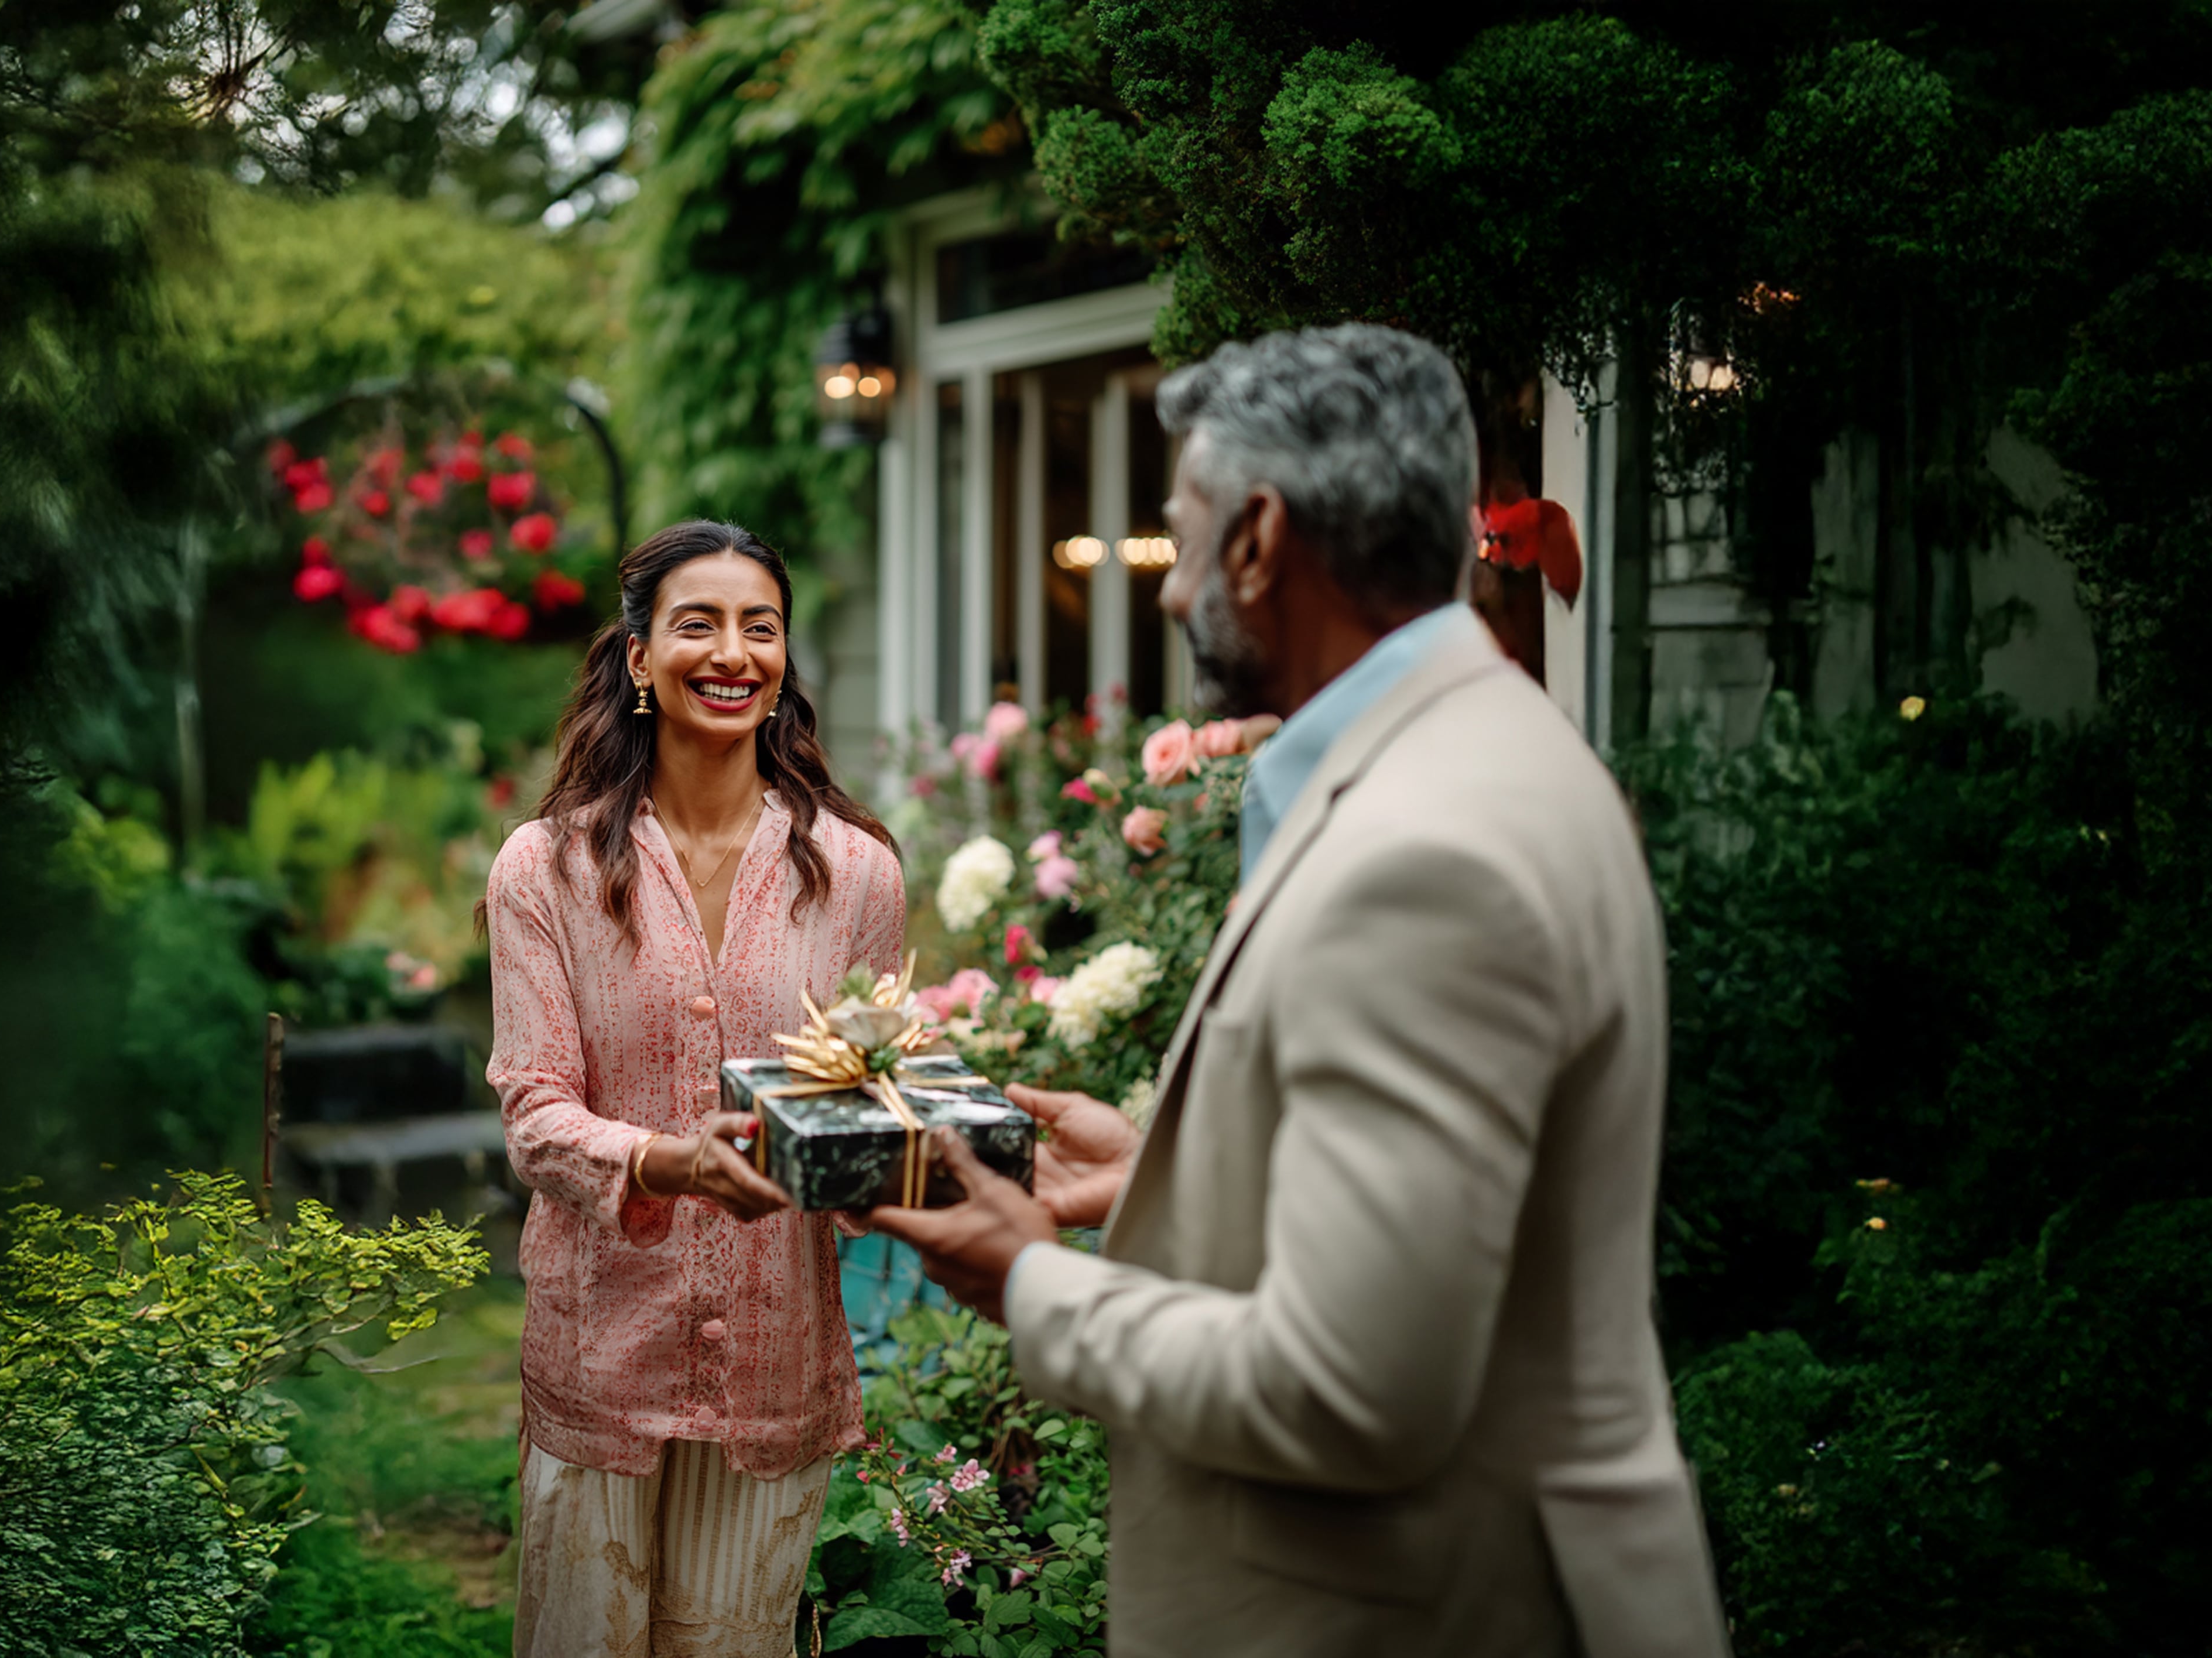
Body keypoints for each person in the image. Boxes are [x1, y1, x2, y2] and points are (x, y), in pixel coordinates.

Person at [873, 326, 1727, 1657]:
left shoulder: (1424, 850)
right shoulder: (1491, 749)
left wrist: (1031, 1285)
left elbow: (1354, 1396)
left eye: (1180, 528)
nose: (1164, 591)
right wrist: (1165, 1164)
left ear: (1258, 539)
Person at [485, 520, 904, 1657]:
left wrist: (905, 1160)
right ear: (637, 660)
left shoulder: (859, 873)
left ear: (781, 662)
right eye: (698, 624)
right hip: (598, 1356)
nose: (732, 652)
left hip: (776, 1362)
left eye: (758, 627)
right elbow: (531, 1113)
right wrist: (664, 1163)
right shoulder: (547, 868)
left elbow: (867, 1107)